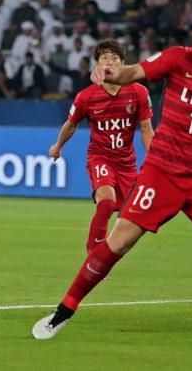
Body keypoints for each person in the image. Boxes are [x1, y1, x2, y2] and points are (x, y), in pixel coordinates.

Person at [32, 4, 192, 347]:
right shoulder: (179, 58)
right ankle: (62, 311)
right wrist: (110, 75)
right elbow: (133, 73)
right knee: (119, 240)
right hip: (162, 171)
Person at [49, 40, 154, 253]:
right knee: (106, 203)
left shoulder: (138, 92)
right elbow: (71, 125)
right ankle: (94, 254)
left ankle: (109, 254)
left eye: (115, 58)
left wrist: (154, 160)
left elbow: (146, 129)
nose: (110, 62)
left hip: (127, 163)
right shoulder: (86, 97)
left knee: (134, 218)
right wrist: (58, 146)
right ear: (97, 64)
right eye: (104, 58)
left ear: (124, 65)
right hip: (101, 158)